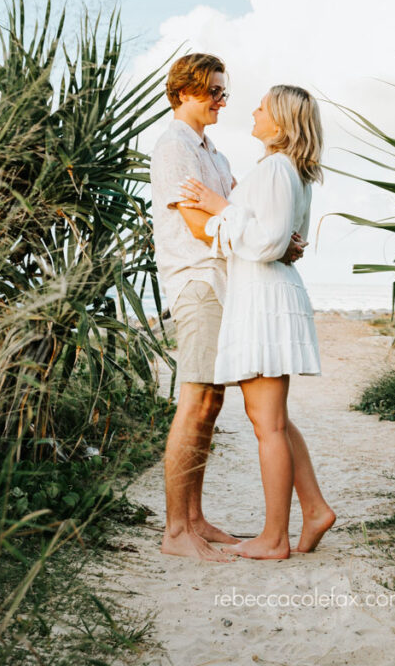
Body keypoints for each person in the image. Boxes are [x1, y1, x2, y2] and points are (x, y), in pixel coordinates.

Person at [150, 56, 304, 563]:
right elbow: (199, 225)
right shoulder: (175, 148)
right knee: (194, 402)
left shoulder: (213, 154)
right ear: (184, 92)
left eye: (224, 92)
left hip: (225, 283)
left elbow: (245, 219)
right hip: (197, 282)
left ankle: (195, 519)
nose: (222, 100)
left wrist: (276, 242)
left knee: (211, 406)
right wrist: (265, 240)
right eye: (213, 91)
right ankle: (176, 532)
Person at [180, 85, 336, 560]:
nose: (253, 110)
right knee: (273, 419)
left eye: (262, 107)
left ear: (282, 121)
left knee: (266, 424)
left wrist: (219, 207)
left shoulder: (274, 168)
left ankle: (274, 537)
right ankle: (313, 509)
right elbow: (284, 238)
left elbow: (268, 242)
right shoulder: (292, 171)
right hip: (269, 296)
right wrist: (231, 211)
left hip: (263, 300)